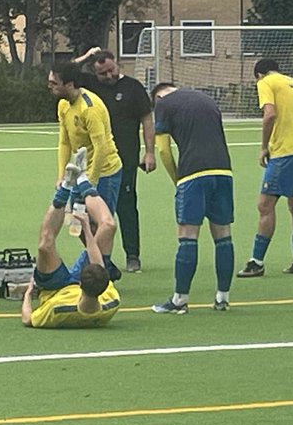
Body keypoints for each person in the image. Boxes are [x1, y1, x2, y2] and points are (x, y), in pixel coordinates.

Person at [149, 83, 237, 314]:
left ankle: (180, 299)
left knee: (188, 236)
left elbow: (163, 151)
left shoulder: (163, 105)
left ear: (158, 98)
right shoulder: (206, 98)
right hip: (223, 170)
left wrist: (177, 179)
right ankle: (223, 297)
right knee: (223, 235)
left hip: (193, 173)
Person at [238, 59, 293, 278]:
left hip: (284, 152)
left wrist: (263, 147)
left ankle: (256, 262)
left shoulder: (266, 82)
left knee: (265, 205)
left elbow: (270, 114)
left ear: (259, 75)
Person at [74, 47, 155, 273]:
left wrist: (149, 152)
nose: (108, 76)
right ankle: (97, 256)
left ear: (117, 64)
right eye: (102, 73)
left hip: (125, 159)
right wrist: (86, 56)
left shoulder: (133, 87)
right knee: (86, 211)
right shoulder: (89, 85)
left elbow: (147, 119)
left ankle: (132, 256)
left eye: (111, 70)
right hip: (92, 162)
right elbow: (66, 72)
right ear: (94, 72)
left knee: (126, 207)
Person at [22, 157, 120, 329]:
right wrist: (87, 230)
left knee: (45, 245)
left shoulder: (58, 310)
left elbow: (28, 319)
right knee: (108, 226)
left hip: (56, 289)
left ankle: (66, 186)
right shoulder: (111, 302)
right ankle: (81, 178)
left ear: (80, 282)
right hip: (90, 285)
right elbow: (98, 265)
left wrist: (28, 295)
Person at [47, 61, 122, 278]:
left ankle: (95, 273)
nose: (50, 86)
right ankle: (104, 265)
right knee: (76, 223)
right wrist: (61, 176)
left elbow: (101, 148)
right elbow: (64, 142)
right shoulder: (63, 105)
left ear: (69, 84)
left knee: (101, 225)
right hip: (80, 172)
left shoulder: (90, 108)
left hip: (105, 172)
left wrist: (92, 183)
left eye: (54, 83)